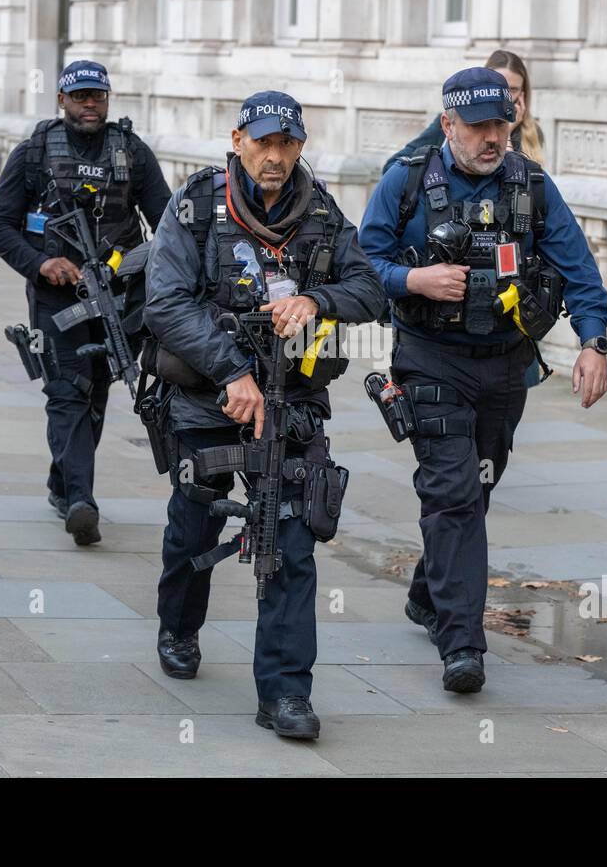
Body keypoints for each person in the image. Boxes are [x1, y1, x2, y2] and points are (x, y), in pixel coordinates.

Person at [359, 67, 607, 693]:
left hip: (505, 365)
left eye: (502, 123)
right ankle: (463, 646)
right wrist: (412, 281)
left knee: (476, 490)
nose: (492, 137)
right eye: (478, 127)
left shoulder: (532, 185)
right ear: (449, 125)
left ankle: (429, 594)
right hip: (430, 360)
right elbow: (362, 262)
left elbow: (577, 266)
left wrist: (593, 341)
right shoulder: (407, 179)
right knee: (452, 495)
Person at [145, 91, 383, 739]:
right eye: (264, 142)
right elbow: (164, 304)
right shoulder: (196, 205)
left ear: (300, 147)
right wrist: (233, 371)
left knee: (291, 540)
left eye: (288, 144)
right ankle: (179, 626)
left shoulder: (322, 211)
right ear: (238, 140)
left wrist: (315, 298)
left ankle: (285, 695)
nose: (275, 156)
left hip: (293, 401)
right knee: (194, 523)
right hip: (208, 396)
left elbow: (370, 289)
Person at [0, 60, 171, 544]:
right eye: (80, 96)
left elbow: (170, 229)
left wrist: (142, 267)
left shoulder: (133, 153)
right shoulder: (34, 153)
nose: (90, 104)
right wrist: (41, 264)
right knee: (68, 388)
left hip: (119, 295)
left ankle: (63, 481)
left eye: (98, 96)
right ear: (61, 100)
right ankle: (82, 501)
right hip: (55, 294)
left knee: (98, 389)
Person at [382, 49, 545, 173]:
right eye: (499, 87)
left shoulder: (532, 132)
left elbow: (516, 180)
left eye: (513, 89)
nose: (505, 95)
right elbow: (393, 166)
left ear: (523, 93)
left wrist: (506, 130)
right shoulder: (455, 122)